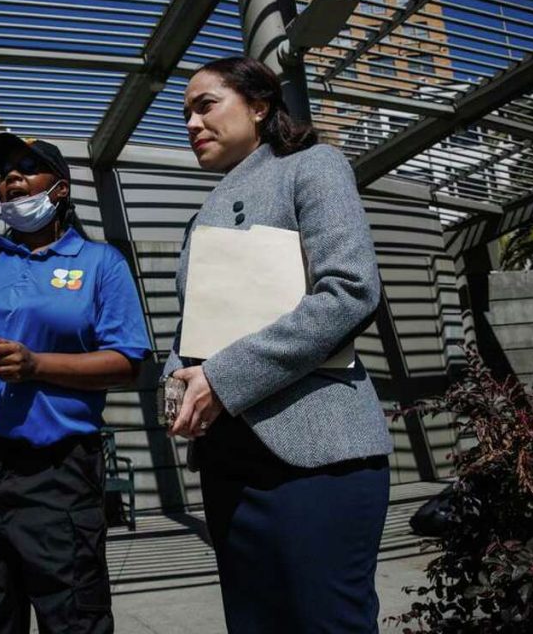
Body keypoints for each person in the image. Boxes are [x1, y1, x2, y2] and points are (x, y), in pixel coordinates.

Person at [163, 56, 393, 633]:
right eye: (185, 113)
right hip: (228, 459)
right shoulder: (201, 215)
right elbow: (192, 329)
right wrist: (178, 380)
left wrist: (222, 378)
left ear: (259, 106)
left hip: (315, 455)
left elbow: (350, 291)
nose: (191, 123)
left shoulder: (313, 166)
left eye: (205, 105)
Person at [0, 133, 151, 634]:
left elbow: (130, 364)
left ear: (59, 189)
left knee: (73, 616)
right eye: (2, 173)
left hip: (57, 474)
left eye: (27, 167)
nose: (11, 177)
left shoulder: (100, 263)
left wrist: (39, 366)